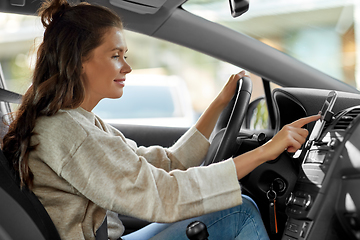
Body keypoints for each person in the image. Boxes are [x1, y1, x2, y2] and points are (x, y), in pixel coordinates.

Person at [1, 0, 320, 240]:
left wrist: (219, 104)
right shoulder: (69, 132)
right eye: (115, 56)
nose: (126, 68)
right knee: (239, 210)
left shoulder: (75, 122)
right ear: (79, 62)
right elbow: (162, 195)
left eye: (125, 55)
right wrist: (265, 151)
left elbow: (166, 162)